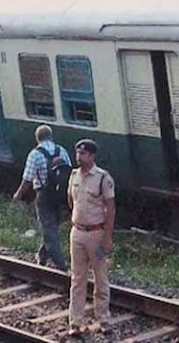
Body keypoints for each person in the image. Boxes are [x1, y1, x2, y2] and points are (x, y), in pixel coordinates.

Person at [67, 139, 115, 337]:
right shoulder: (73, 176)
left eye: (84, 154)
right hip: (77, 233)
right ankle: (75, 322)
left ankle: (103, 320)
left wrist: (108, 237)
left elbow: (111, 209)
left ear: (92, 156)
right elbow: (71, 201)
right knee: (77, 279)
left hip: (97, 234)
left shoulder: (103, 178)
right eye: (78, 153)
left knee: (100, 278)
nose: (79, 157)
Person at [12, 124, 71, 271]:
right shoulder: (61, 150)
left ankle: (61, 264)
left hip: (44, 194)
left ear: (37, 138)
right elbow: (69, 171)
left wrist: (18, 195)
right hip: (61, 194)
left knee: (49, 228)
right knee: (53, 225)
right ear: (51, 136)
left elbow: (28, 179)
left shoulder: (35, 154)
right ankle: (42, 255)